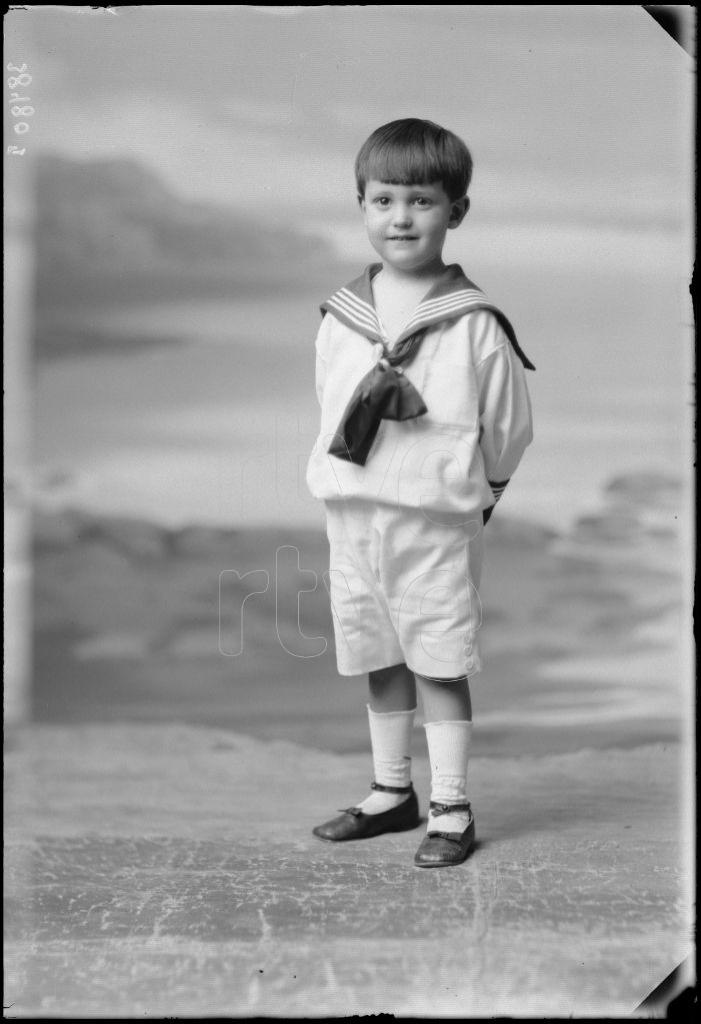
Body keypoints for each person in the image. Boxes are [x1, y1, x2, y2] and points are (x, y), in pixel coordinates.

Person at [305, 118, 534, 868]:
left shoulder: (473, 325)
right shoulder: (341, 318)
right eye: (383, 201)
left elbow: (505, 426)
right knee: (377, 649)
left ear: (455, 211)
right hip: (355, 512)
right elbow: (328, 403)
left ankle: (451, 807)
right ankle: (390, 790)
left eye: (421, 201)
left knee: (436, 657)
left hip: (434, 521)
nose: (400, 218)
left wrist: (482, 492)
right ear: (362, 206)